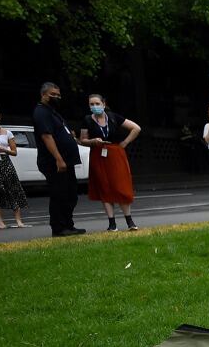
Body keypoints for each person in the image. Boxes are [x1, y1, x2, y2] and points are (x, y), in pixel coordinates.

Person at [80, 93, 141, 231]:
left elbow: (136, 128)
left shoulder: (113, 117)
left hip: (115, 153)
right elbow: (82, 139)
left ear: (104, 104)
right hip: (98, 154)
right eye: (91, 104)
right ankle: (112, 223)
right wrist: (93, 141)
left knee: (121, 186)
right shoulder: (87, 120)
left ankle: (129, 221)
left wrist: (125, 142)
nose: (95, 106)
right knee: (104, 187)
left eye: (97, 103)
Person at [32, 82, 84, 237]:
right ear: (43, 95)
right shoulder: (41, 112)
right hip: (54, 162)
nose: (56, 97)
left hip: (67, 161)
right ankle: (58, 227)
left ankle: (68, 224)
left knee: (71, 193)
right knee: (59, 194)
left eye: (58, 95)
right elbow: (47, 136)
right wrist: (59, 159)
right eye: (52, 95)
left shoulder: (53, 112)